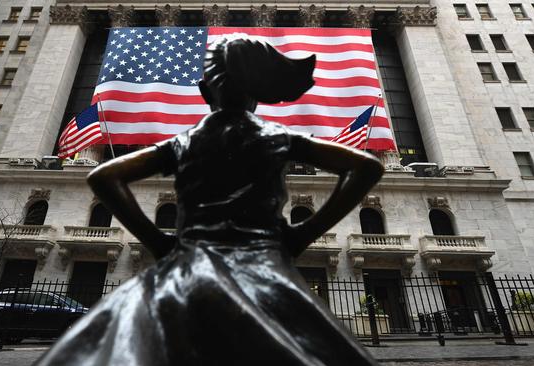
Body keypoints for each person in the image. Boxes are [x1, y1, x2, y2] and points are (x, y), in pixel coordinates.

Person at [36, 36, 383, 366]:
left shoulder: (183, 143)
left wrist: (158, 242)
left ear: (205, 92)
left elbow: (103, 176)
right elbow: (366, 166)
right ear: (257, 93)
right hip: (262, 265)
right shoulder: (279, 138)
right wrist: (304, 232)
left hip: (186, 266)